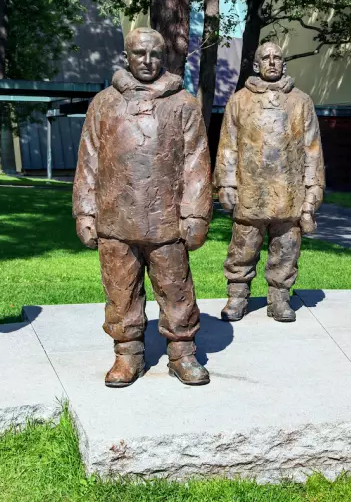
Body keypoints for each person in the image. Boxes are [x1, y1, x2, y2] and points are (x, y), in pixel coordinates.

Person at [73, 27, 212, 387]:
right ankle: (128, 352)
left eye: (154, 54)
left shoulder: (183, 104)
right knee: (120, 289)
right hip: (115, 217)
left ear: (163, 57)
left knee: (175, 286)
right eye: (139, 54)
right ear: (127, 56)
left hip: (166, 219)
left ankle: (182, 352)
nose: (147, 61)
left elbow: (196, 162)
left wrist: (195, 213)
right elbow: (88, 159)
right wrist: (85, 211)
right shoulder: (104, 103)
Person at [214, 42, 325, 322]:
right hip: (251, 190)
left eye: (277, 58)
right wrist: (226, 183)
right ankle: (237, 297)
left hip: (289, 191)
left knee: (286, 249)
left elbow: (312, 149)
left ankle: (279, 297)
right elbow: (227, 145)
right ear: (256, 64)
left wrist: (313, 191)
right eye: (266, 57)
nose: (272, 62)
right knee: (242, 248)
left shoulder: (301, 101)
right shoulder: (239, 100)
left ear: (284, 64)